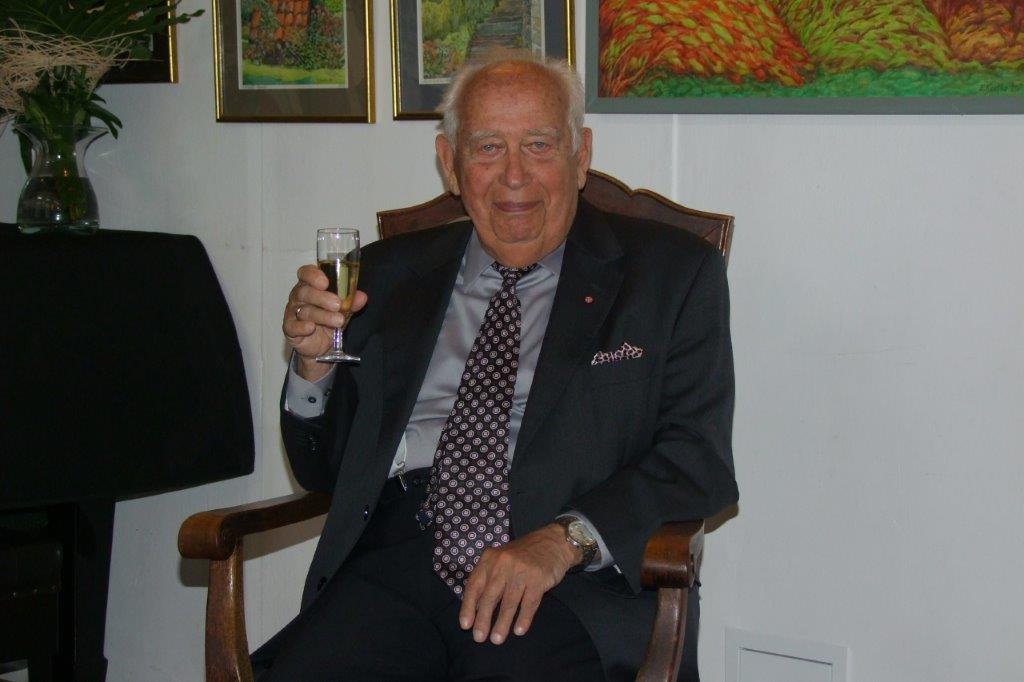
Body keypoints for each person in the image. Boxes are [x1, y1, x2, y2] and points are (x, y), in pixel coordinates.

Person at [255, 52, 738, 682]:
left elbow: (696, 459)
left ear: (581, 155)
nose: (514, 175)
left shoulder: (670, 274)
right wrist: (314, 366)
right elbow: (324, 472)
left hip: (564, 582)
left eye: (539, 144)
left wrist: (564, 541)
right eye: (487, 147)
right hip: (397, 558)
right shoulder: (385, 276)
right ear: (450, 163)